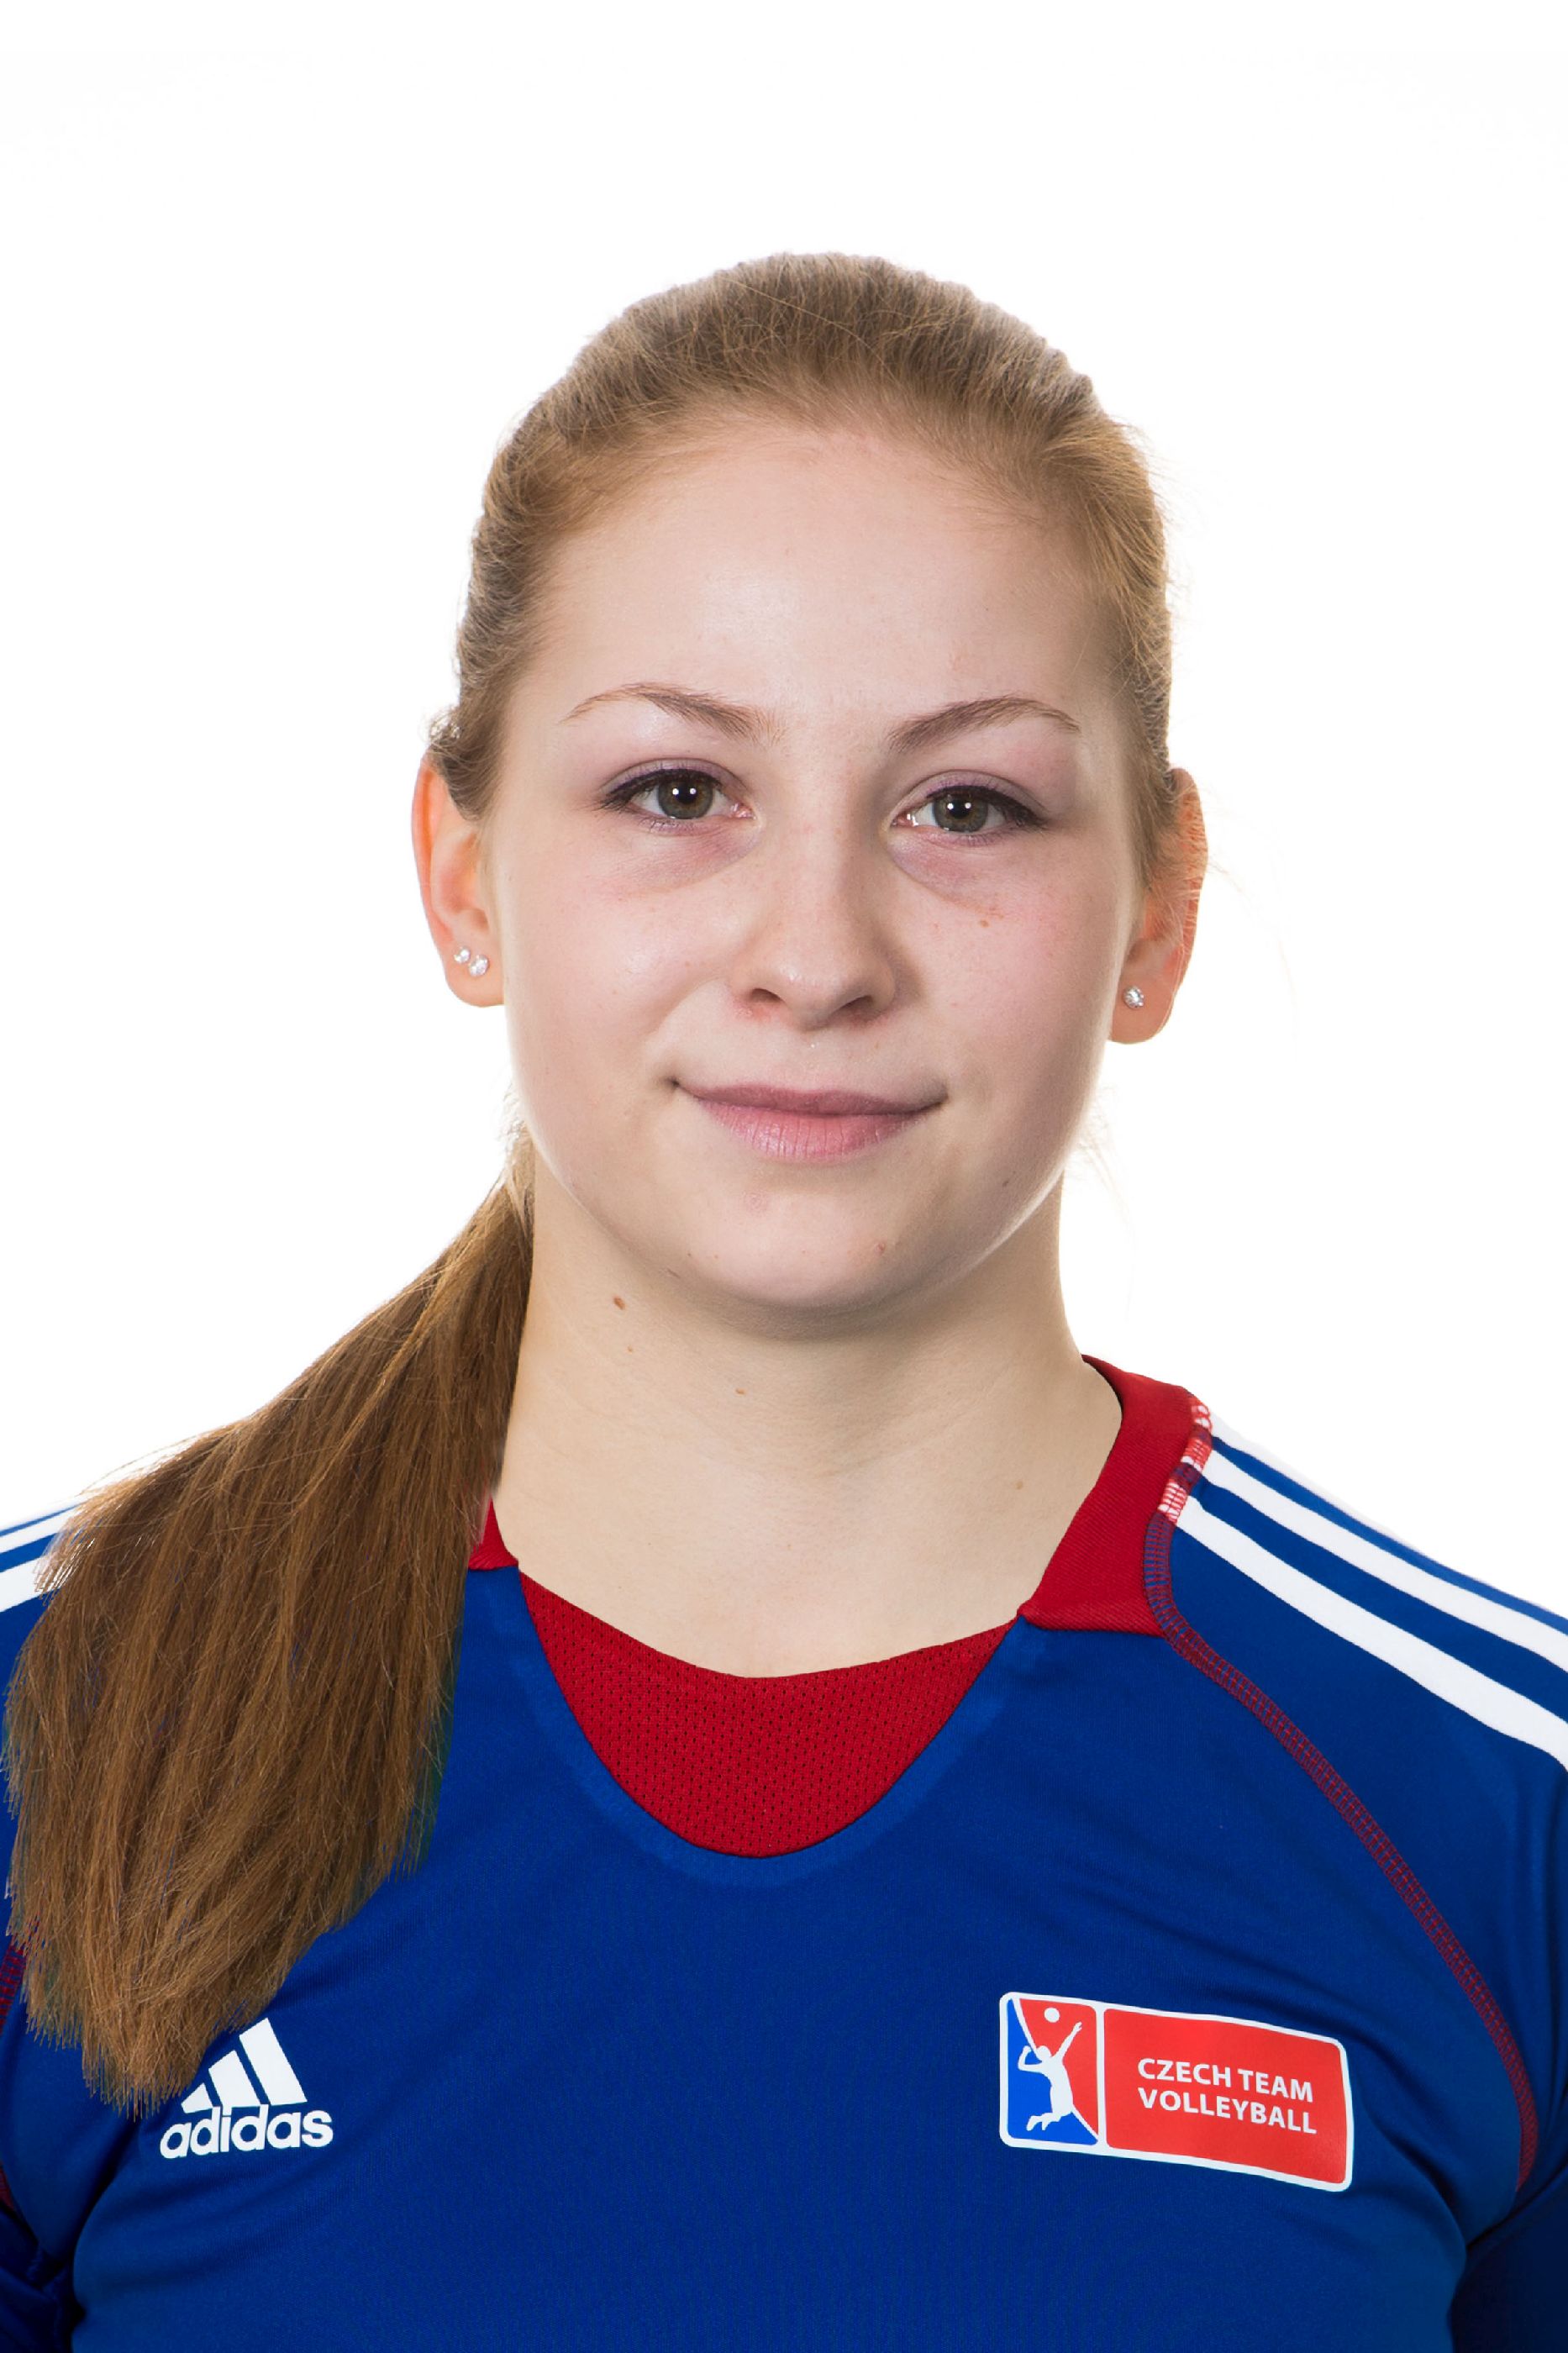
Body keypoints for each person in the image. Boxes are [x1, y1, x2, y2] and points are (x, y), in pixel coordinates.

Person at [0, 250, 1561, 2350]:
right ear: (463, 872)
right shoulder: (56, 1727)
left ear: (1158, 908)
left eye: (966, 805)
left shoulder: (1493, 1813)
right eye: (678, 792)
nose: (815, 952)